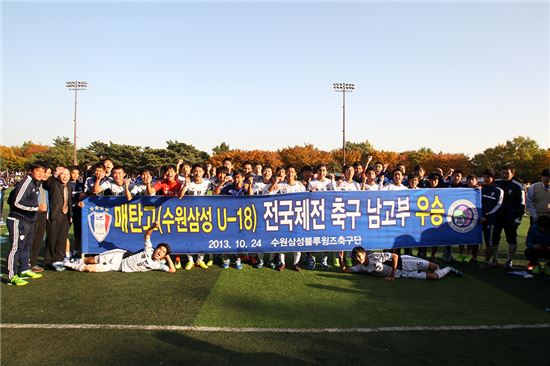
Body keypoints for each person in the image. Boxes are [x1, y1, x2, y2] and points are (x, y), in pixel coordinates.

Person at [65, 222, 175, 273]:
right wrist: (153, 227)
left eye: (162, 252)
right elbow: (147, 235)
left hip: (117, 267)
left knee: (89, 269)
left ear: (163, 257)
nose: (160, 251)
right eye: (159, 249)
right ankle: (71, 261)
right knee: (90, 260)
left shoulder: (157, 265)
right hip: (118, 256)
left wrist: (168, 257)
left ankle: (68, 264)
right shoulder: (149, 249)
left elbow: (172, 270)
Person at [6, 162, 46, 285]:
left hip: (29, 221)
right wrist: (35, 207)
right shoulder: (26, 182)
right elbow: (16, 202)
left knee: (26, 246)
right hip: (18, 220)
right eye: (38, 171)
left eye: (42, 172)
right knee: (16, 247)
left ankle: (24, 269)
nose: (40, 174)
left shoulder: (36, 183)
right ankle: (12, 276)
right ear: (31, 171)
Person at [341, 246, 463, 280]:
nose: (358, 259)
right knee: (434, 277)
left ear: (364, 254)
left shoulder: (375, 256)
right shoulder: (361, 267)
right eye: (355, 257)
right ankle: (448, 270)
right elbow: (346, 270)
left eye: (359, 256)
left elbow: (394, 256)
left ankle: (445, 270)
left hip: (404, 262)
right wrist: (341, 259)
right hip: (404, 275)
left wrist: (392, 274)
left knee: (434, 267)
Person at [270, 165, 306, 271]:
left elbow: (307, 199)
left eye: (292, 172)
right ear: (285, 173)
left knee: (297, 240)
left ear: (295, 174)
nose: (290, 174)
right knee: (283, 240)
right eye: (288, 172)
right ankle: (282, 263)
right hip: (283, 217)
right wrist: (275, 183)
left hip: (297, 216)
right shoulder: (281, 185)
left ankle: (296, 263)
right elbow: (270, 194)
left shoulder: (300, 186)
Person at [494, 165, 525, 269]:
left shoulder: (518, 186)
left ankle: (509, 260)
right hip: (497, 216)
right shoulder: (496, 183)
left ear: (513, 173)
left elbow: (522, 203)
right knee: (495, 238)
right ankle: (494, 258)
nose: (504, 175)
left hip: (511, 217)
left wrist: (518, 217)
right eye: (502, 173)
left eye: (507, 173)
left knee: (511, 239)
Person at [306, 163, 336, 270]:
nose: (322, 173)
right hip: (314, 214)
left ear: (326, 172)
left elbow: (335, 194)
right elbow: (307, 198)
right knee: (312, 238)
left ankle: (324, 260)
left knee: (326, 238)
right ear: (317, 172)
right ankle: (311, 260)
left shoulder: (330, 182)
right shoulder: (312, 183)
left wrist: (333, 181)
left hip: (327, 214)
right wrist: (311, 193)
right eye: (320, 170)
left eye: (324, 170)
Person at [43, 167, 73, 271]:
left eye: (67, 175)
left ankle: (59, 260)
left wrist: (71, 216)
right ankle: (49, 260)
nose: (65, 177)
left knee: (62, 239)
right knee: (52, 238)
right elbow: (46, 183)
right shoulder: (53, 184)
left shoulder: (69, 187)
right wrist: (55, 174)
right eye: (63, 174)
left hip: (65, 215)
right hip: (54, 215)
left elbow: (69, 202)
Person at [479, 168, 504, 268]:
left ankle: (487, 261)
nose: (485, 178)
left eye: (488, 177)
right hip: (479, 219)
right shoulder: (481, 189)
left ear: (493, 178)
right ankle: (475, 257)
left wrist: (486, 216)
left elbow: (498, 206)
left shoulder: (498, 191)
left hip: (491, 221)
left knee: (489, 241)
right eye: (484, 176)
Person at [29, 167, 51, 273]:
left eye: (47, 173)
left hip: (43, 215)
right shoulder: (31, 183)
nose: (44, 174)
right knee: (30, 239)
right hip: (32, 214)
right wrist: (37, 207)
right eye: (42, 172)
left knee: (38, 240)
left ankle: (33, 263)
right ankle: (26, 263)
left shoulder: (46, 184)